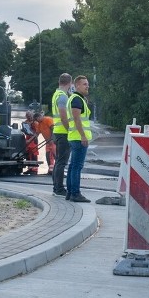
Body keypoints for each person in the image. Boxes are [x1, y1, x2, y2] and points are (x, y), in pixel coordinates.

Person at [65, 74, 92, 202]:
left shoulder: (75, 98)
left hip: (74, 137)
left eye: (87, 84)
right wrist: (83, 136)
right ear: (77, 86)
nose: (88, 86)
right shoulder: (76, 99)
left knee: (72, 166)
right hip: (78, 138)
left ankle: (70, 193)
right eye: (84, 84)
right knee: (77, 166)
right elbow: (77, 119)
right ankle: (75, 193)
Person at [51, 73, 72, 196]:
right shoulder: (63, 96)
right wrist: (70, 129)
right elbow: (63, 116)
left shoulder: (56, 94)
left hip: (57, 131)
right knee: (62, 162)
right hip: (63, 132)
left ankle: (56, 187)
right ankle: (59, 188)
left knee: (59, 161)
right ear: (69, 83)